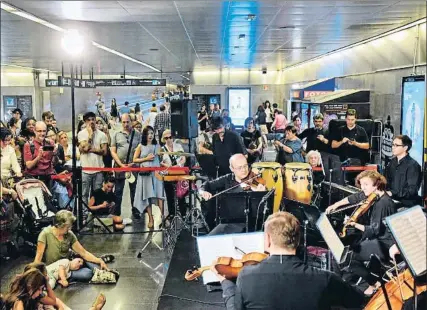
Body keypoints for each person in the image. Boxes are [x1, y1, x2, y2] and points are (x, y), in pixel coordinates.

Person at [212, 211, 365, 309]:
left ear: (267, 241)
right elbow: (358, 301)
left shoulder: (246, 276)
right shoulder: (325, 278)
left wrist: (226, 284)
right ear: (298, 240)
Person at [326, 171, 397, 296]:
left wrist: (354, 224)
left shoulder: (383, 203)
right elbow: (355, 197)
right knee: (347, 248)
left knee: (346, 257)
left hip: (384, 243)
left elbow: (374, 230)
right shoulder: (372, 195)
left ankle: (370, 284)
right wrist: (336, 205)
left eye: (366, 184)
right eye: (361, 184)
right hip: (375, 238)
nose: (362, 187)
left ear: (376, 185)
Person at [34, 210, 110, 282]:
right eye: (67, 227)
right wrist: (35, 274)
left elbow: (83, 253)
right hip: (56, 268)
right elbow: (39, 256)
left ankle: (98, 262)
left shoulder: (69, 234)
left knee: (91, 264)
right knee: (87, 274)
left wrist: (99, 261)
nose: (70, 229)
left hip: (68, 263)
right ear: (60, 225)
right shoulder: (45, 234)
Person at [199, 154, 265, 232]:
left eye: (245, 166)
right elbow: (208, 184)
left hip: (252, 223)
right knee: (211, 239)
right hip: (230, 223)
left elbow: (262, 211)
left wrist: (260, 195)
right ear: (232, 169)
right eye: (239, 167)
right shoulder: (227, 179)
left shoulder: (255, 181)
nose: (244, 170)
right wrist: (202, 191)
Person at [133, 126, 165, 229]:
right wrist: (146, 159)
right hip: (145, 175)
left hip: (156, 174)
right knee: (147, 196)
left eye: (151, 133)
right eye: (148, 134)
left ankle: (163, 216)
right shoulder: (140, 146)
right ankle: (151, 218)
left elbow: (161, 157)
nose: (150, 135)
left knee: (160, 195)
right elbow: (135, 159)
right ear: (144, 135)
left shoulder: (157, 145)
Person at [110, 114, 141, 218]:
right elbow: (113, 151)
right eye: (123, 122)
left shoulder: (137, 134)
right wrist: (120, 164)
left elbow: (140, 149)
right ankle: (116, 211)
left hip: (133, 166)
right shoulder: (116, 134)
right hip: (120, 167)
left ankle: (135, 210)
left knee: (134, 189)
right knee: (118, 190)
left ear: (131, 122)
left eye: (127, 122)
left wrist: (136, 161)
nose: (125, 124)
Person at [78, 112, 108, 219]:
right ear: (85, 122)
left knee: (97, 193)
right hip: (86, 170)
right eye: (88, 120)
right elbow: (85, 149)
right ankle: (84, 215)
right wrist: (90, 136)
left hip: (98, 169)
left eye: (93, 119)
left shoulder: (102, 135)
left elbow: (104, 152)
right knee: (84, 194)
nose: (91, 122)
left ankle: (96, 214)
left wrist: (91, 149)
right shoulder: (81, 134)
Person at [385, 135, 422, 208]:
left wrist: (392, 193)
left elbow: (412, 191)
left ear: (405, 148)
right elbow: (387, 182)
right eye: (392, 144)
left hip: (406, 203)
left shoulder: (413, 165)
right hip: (391, 200)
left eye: (396, 145)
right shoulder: (392, 162)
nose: (393, 147)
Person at [160, 130, 186, 219]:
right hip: (169, 175)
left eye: (170, 137)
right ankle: (171, 214)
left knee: (181, 194)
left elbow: (183, 158)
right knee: (169, 195)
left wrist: (178, 165)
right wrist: (170, 167)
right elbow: (161, 163)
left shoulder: (178, 146)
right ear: (163, 139)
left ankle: (183, 213)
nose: (168, 139)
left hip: (179, 173)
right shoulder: (162, 149)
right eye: (166, 138)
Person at [23, 122, 58, 188]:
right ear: (34, 131)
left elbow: (55, 163)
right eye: (39, 131)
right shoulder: (29, 145)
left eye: (44, 131)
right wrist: (38, 157)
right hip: (34, 179)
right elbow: (29, 166)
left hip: (48, 178)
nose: (42, 133)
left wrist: (55, 154)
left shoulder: (50, 143)